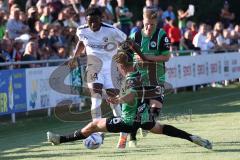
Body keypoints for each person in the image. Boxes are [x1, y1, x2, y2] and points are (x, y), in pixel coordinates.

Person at [47, 48, 212, 150]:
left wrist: (119, 100)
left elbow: (133, 93)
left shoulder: (130, 79)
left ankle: (60, 140)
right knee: (161, 128)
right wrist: (121, 97)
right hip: (143, 117)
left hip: (128, 121)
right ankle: (191, 137)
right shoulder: (140, 74)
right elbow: (142, 92)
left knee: (94, 125)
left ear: (120, 66)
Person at [68, 7, 128, 148]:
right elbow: (82, 42)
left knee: (114, 101)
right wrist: (74, 56)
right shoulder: (81, 30)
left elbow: (126, 41)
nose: (93, 25)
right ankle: (98, 131)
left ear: (101, 19)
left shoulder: (111, 30)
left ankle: (124, 131)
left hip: (110, 68)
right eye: (90, 22)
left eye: (95, 21)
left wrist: (123, 57)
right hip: (94, 67)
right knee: (95, 95)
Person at [127, 8, 171, 147]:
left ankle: (144, 125)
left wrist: (146, 58)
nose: (149, 27)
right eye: (146, 23)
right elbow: (127, 55)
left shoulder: (161, 35)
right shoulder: (135, 36)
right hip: (138, 78)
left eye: (152, 24)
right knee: (136, 110)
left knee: (154, 111)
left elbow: (166, 56)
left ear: (156, 23)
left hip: (156, 78)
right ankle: (132, 138)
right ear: (142, 21)